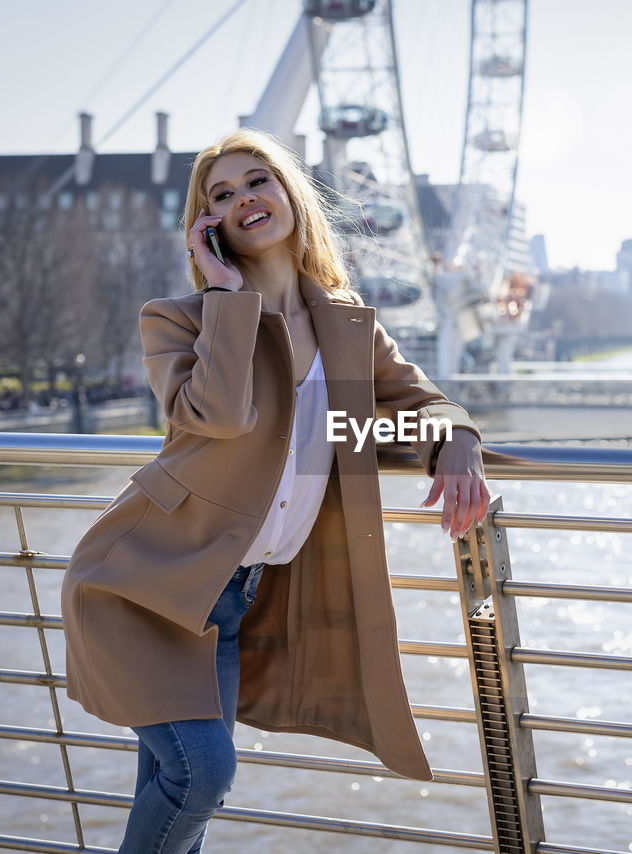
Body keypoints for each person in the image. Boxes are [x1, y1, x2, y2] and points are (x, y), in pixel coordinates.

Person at [60, 126, 489, 854]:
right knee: (202, 777)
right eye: (221, 195)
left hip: (231, 601)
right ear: (209, 226)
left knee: (171, 795)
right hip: (138, 587)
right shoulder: (180, 320)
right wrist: (226, 295)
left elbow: (418, 404)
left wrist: (459, 444)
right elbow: (219, 419)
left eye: (257, 180)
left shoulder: (349, 324)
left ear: (290, 192)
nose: (244, 199)